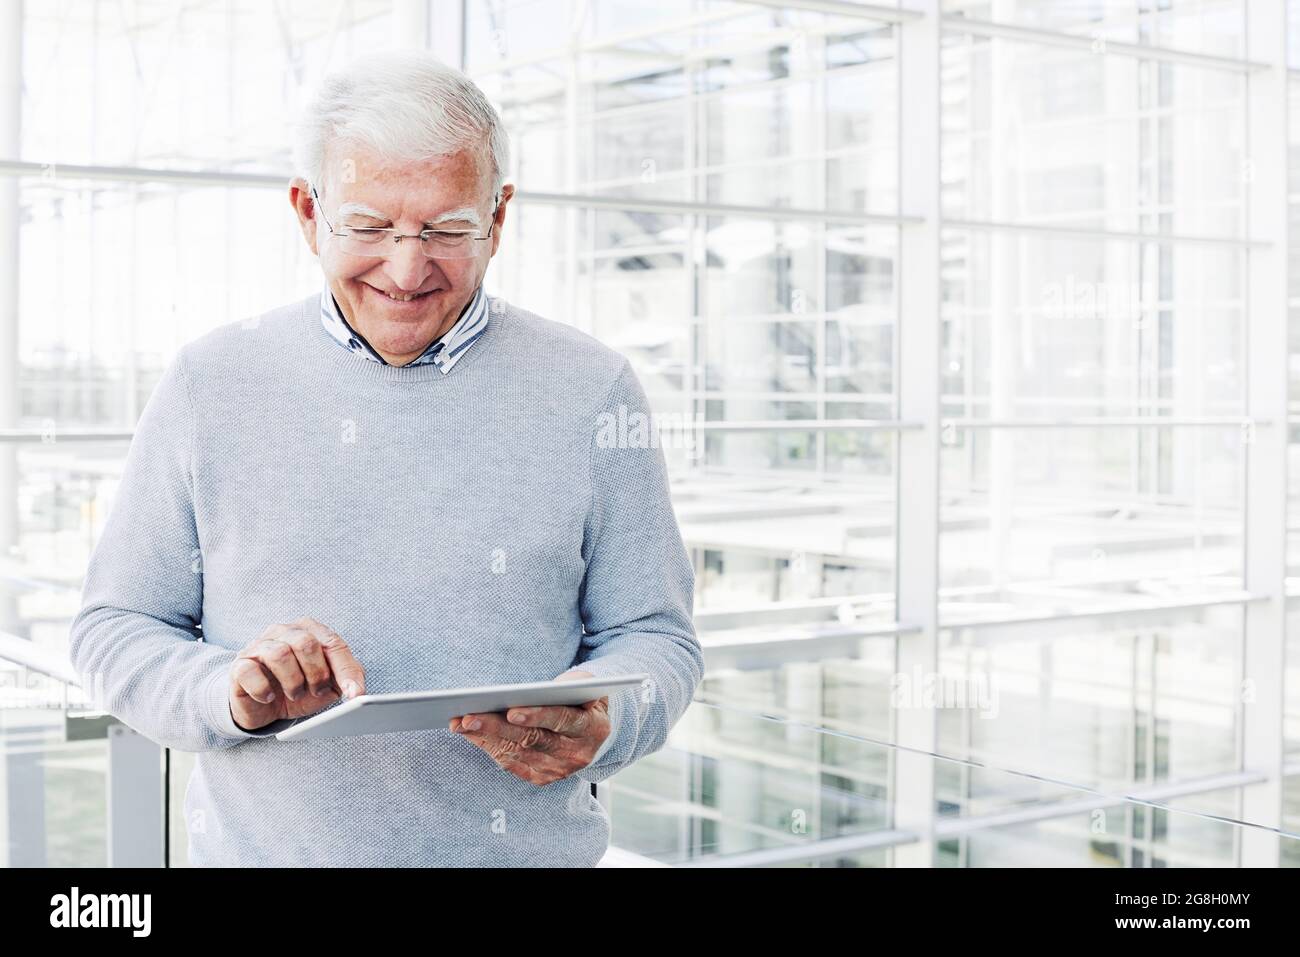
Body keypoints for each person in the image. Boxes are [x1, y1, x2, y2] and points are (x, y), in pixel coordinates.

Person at [68, 50, 703, 867]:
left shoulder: (593, 388)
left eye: (446, 228)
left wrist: (612, 721)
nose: (406, 271)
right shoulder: (210, 383)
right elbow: (114, 627)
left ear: (499, 219)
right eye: (369, 227)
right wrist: (230, 691)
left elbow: (657, 637)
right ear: (307, 211)